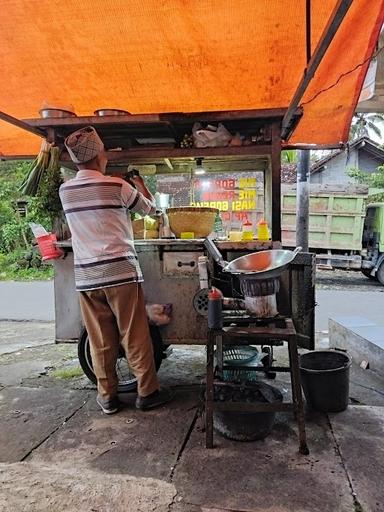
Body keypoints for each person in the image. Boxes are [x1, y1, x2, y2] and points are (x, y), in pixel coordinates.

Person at [59, 126, 172, 414]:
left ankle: (107, 396)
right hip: (121, 273)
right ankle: (147, 392)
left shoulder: (66, 191)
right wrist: (138, 184)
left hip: (87, 277)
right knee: (134, 334)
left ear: (75, 161)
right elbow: (148, 209)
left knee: (100, 338)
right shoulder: (116, 185)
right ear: (100, 156)